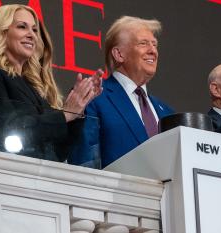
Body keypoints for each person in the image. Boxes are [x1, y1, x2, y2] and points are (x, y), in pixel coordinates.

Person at [0, 4, 102, 162]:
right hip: (10, 173)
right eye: (22, 27)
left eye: (34, 29)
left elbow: (58, 151)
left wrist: (76, 111)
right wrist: (64, 115)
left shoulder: (35, 86)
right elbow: (6, 130)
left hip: (43, 176)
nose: (31, 35)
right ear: (2, 33)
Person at [69, 16, 174, 169]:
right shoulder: (93, 96)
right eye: (143, 43)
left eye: (154, 44)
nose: (153, 51)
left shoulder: (167, 113)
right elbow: (84, 163)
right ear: (119, 54)